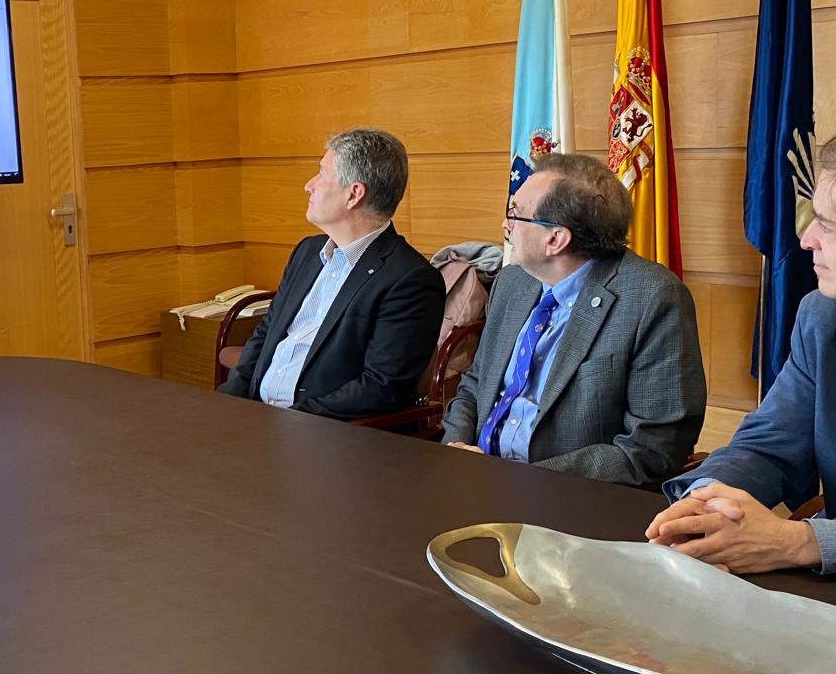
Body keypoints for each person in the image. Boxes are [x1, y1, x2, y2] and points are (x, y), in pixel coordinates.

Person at [650, 121, 836, 587]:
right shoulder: (825, 317)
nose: (806, 239)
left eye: (827, 224)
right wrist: (709, 502)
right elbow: (770, 444)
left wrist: (802, 541)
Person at [442, 152, 705, 485]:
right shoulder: (512, 282)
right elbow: (475, 384)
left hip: (567, 499)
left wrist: (518, 479)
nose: (505, 224)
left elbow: (653, 448)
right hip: (473, 481)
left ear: (555, 239)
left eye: (515, 214)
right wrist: (455, 447)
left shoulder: (653, 298)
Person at [216, 128, 444, 420]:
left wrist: (288, 421)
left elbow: (381, 387)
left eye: (321, 174)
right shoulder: (307, 253)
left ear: (354, 194)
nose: (308, 185)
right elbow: (265, 335)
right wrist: (229, 402)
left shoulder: (409, 279)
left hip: (326, 435)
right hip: (258, 421)